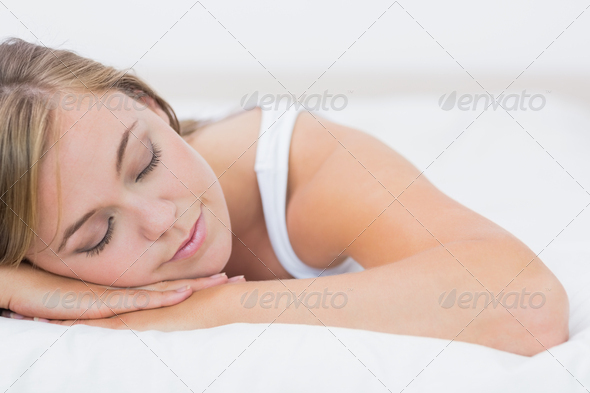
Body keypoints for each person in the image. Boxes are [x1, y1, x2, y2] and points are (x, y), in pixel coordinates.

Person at [0, 37, 569, 356]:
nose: (161, 220)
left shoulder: (294, 164)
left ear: (151, 107)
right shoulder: (27, 271)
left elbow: (526, 307)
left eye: (145, 162)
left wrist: (214, 310)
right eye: (98, 236)